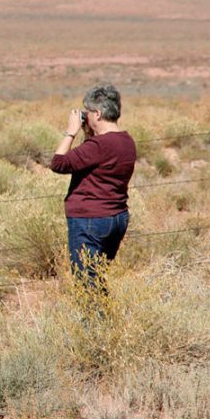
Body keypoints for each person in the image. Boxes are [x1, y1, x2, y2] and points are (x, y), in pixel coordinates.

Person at [49, 84, 136, 288]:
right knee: (97, 277)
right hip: (116, 217)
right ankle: (104, 317)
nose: (84, 117)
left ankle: (97, 320)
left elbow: (58, 163)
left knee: (86, 282)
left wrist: (70, 132)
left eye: (87, 113)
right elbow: (95, 160)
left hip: (89, 220)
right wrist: (89, 132)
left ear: (97, 113)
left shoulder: (98, 146)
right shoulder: (126, 141)